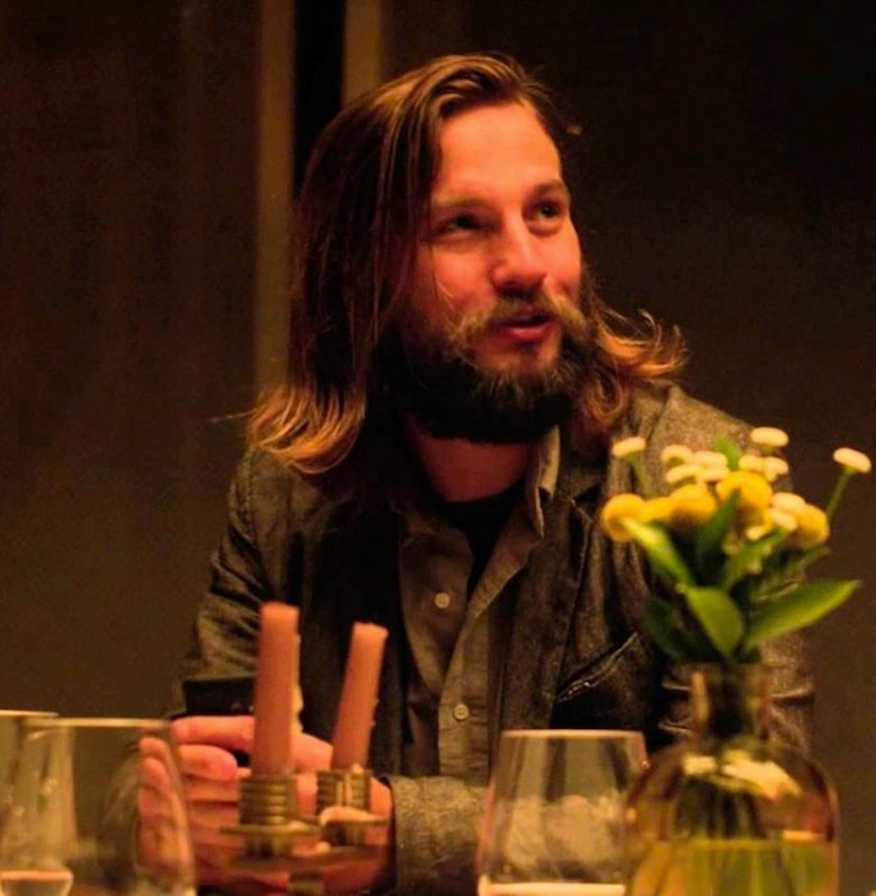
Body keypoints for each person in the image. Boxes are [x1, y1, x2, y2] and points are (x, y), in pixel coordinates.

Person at [165, 53, 812, 894]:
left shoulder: (713, 491)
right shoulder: (284, 495)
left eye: (547, 213)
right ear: (359, 277)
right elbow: (192, 786)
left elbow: (745, 826)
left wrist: (406, 834)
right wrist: (169, 811)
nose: (526, 266)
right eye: (463, 226)